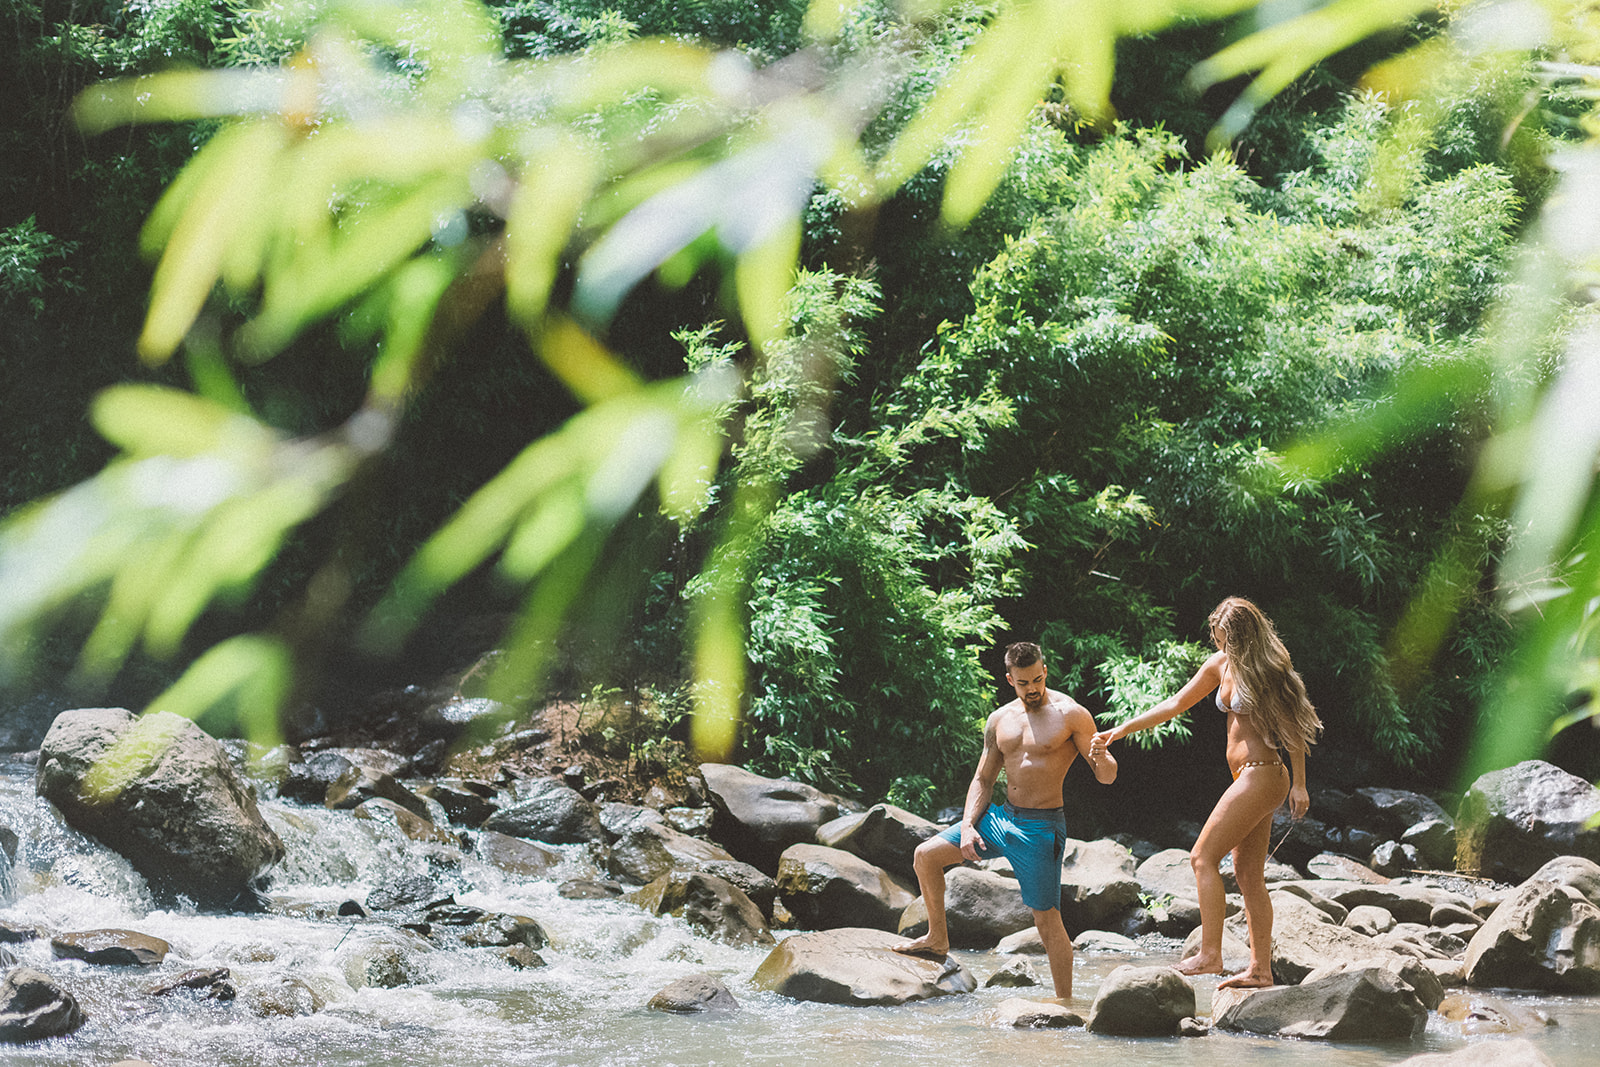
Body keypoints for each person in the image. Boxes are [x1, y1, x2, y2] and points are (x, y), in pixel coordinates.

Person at [1090, 596, 1321, 989]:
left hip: (1262, 774)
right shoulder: (1219, 665)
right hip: (1249, 778)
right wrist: (1123, 729)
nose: (1217, 642)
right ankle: (1260, 971)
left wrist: (1300, 784)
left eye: (1222, 635)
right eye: (1217, 636)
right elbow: (1176, 704)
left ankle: (1210, 954)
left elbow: (1294, 730)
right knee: (1248, 874)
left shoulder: (1265, 670)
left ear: (1238, 634)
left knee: (1201, 857)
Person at [894, 641, 1117, 1001]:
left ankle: (1066, 1003)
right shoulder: (1000, 719)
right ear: (1009, 678)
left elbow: (1106, 777)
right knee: (926, 855)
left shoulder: (1071, 714)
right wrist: (968, 825)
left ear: (1045, 671)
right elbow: (983, 779)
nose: (1032, 688)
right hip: (1001, 819)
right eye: (1023, 682)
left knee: (1047, 922)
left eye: (1038, 679)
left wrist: (1103, 757)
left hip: (1041, 829)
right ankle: (937, 938)